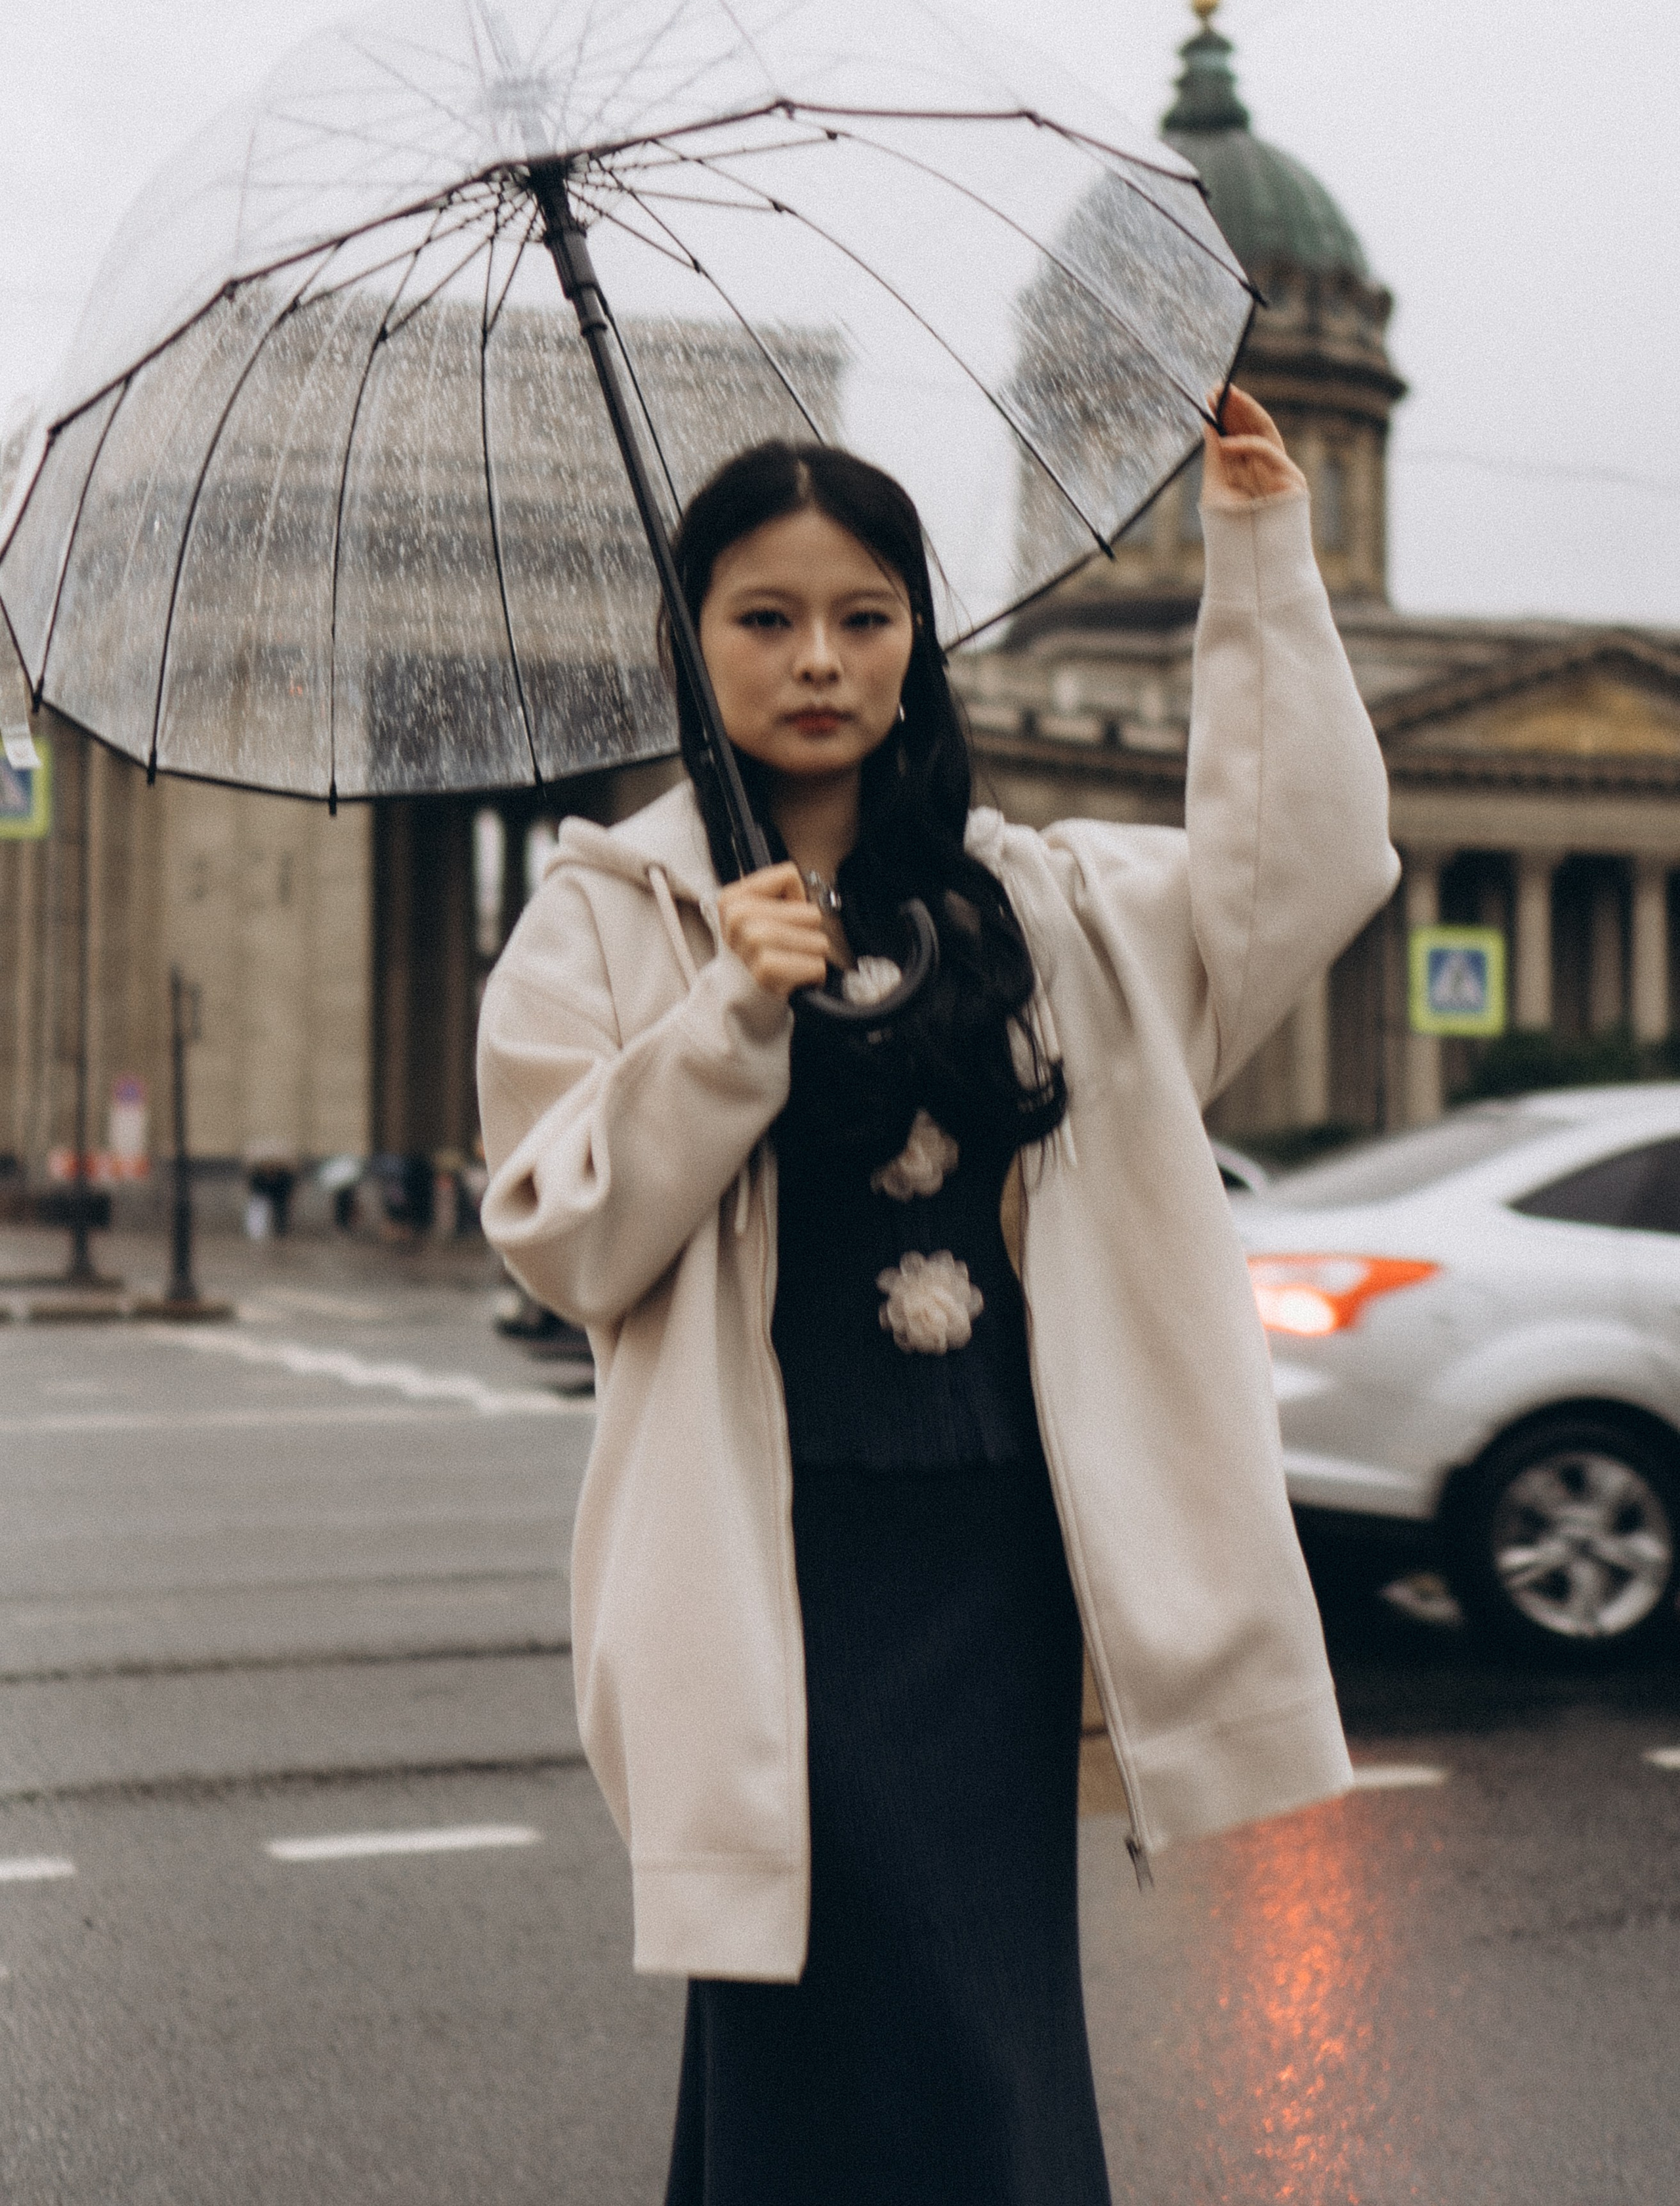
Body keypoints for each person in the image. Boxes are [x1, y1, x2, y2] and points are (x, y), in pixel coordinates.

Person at [476, 390, 1398, 2205]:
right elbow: (565, 1237)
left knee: (985, 2017)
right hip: (770, 1554)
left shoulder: (1040, 900)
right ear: (691, 641)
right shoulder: (605, 918)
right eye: (765, 617)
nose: (819, 658)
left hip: (990, 1555)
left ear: (918, 637)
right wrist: (730, 1014)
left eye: (866, 615)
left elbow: (1298, 881)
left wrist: (1262, 550)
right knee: (801, 2014)